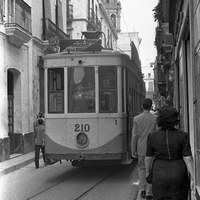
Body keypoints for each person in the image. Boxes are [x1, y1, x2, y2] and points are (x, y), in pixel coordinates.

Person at [145, 106, 195, 200]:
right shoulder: (183, 135)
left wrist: (148, 173)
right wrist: (193, 178)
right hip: (179, 174)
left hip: (159, 174)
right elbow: (188, 158)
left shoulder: (152, 136)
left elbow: (148, 158)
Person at [131, 98, 157, 199]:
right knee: (150, 169)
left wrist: (133, 149)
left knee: (141, 169)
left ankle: (142, 189)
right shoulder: (155, 118)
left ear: (142, 106)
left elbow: (135, 136)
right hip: (152, 148)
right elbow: (156, 133)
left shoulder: (136, 119)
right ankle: (149, 192)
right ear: (151, 107)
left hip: (141, 148)